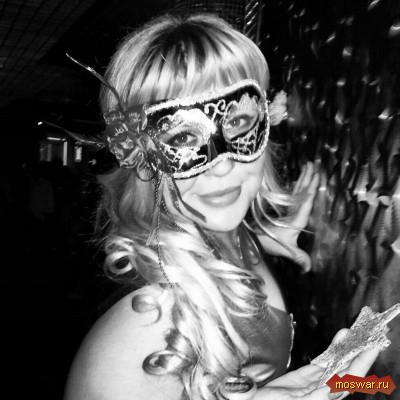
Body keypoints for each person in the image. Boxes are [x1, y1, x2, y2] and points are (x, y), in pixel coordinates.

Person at [63, 14, 379, 400]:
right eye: (183, 137)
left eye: (239, 121)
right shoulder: (150, 332)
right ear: (140, 157)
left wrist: (262, 238)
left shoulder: (224, 228)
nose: (223, 165)